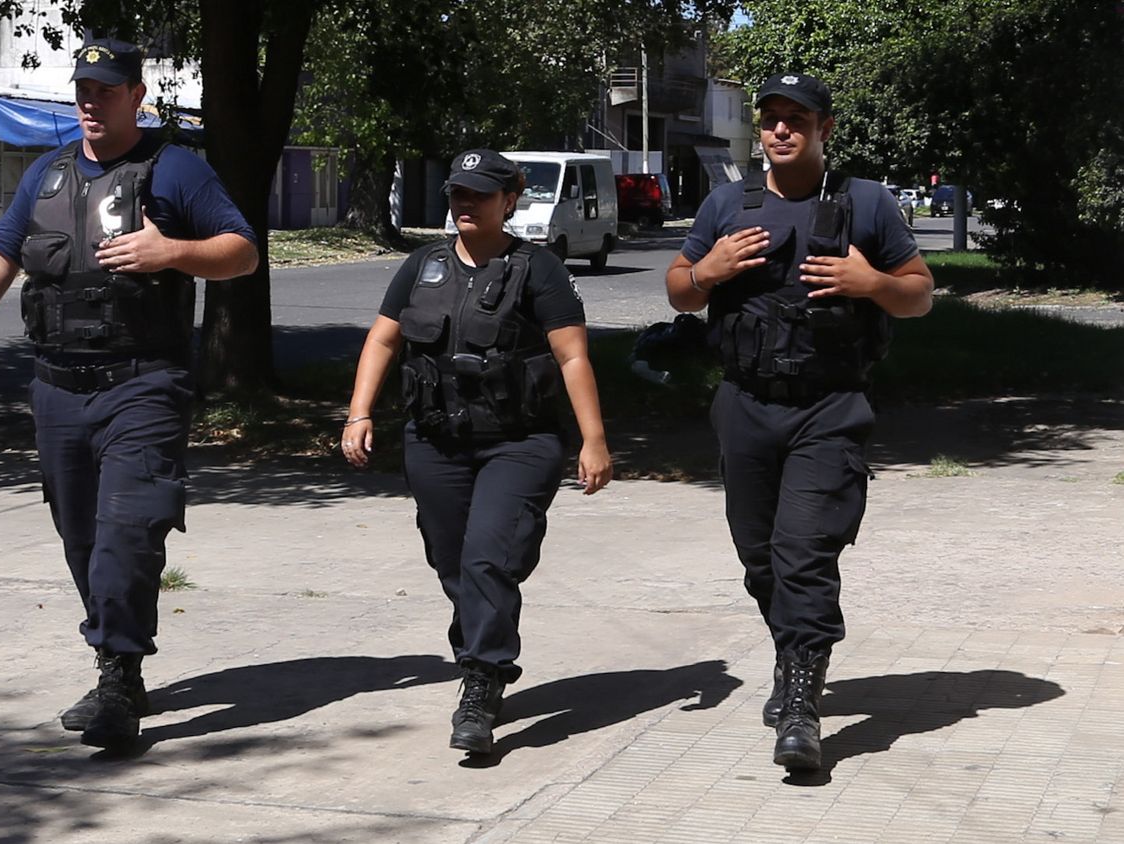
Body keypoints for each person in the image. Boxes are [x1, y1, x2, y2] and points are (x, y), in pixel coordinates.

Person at [0, 38, 258, 751]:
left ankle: (118, 680)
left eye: (106, 90)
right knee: (80, 538)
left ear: (137, 96)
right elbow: (0, 253)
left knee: (127, 536)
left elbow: (243, 249)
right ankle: (119, 662)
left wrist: (173, 252)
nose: (90, 101)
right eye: (82, 88)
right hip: (57, 389)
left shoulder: (174, 172)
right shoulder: (45, 177)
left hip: (143, 383)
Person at [664, 73, 933, 772]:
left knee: (805, 553)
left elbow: (919, 295)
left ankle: (803, 712)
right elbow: (678, 290)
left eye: (797, 119)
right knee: (761, 561)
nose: (781, 130)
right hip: (745, 405)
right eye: (772, 119)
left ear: (824, 128)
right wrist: (710, 270)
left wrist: (870, 283)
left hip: (829, 407)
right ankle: (795, 659)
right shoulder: (727, 203)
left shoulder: (864, 203)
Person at [342, 149, 613, 756]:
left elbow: (572, 357)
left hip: (519, 441)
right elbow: (383, 340)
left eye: (479, 195)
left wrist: (593, 440)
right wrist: (360, 412)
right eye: (457, 193)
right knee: (452, 562)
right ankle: (478, 649)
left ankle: (482, 679)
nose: (464, 204)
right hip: (434, 440)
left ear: (508, 201)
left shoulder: (538, 269)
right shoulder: (422, 264)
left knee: (489, 558)